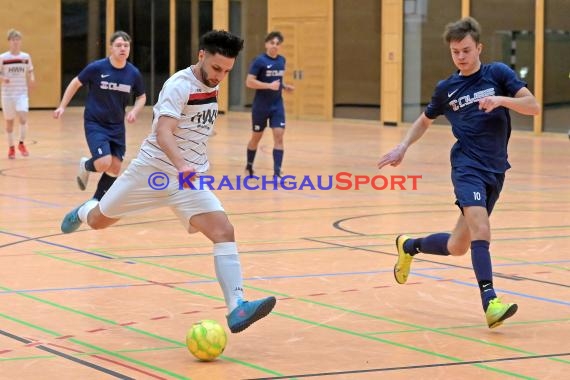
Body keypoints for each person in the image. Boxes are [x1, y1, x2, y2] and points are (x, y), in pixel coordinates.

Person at [59, 30, 276, 333]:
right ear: (201, 55)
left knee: (224, 230)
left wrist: (191, 168)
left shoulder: (212, 82)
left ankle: (237, 307)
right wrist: (182, 164)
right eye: (216, 69)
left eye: (227, 71)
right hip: (152, 173)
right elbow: (163, 132)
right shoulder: (178, 85)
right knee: (99, 221)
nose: (220, 77)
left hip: (188, 180)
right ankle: (85, 209)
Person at [377, 17, 539, 329]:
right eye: (455, 52)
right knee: (481, 228)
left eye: (466, 50)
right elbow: (425, 120)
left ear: (479, 48)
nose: (461, 57)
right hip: (467, 167)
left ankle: (409, 246)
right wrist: (402, 147)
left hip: (496, 169)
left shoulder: (499, 75)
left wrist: (500, 100)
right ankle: (491, 302)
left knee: (457, 245)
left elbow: (532, 107)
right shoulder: (447, 89)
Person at [53, 31, 146, 201]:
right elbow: (76, 83)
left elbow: (142, 96)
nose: (123, 48)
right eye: (118, 45)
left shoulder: (133, 73)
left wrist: (134, 111)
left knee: (115, 167)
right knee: (104, 162)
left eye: (126, 45)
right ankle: (86, 165)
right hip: (96, 123)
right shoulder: (97, 68)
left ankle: (95, 201)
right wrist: (62, 106)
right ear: (110, 48)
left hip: (117, 126)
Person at [245, 31, 294, 177]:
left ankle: (277, 172)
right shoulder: (259, 61)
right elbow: (249, 82)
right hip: (261, 106)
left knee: (279, 136)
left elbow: (277, 80)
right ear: (266, 44)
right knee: (256, 137)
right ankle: (249, 166)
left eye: (278, 44)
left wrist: (284, 86)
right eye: (272, 43)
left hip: (277, 105)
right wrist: (268, 86)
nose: (275, 46)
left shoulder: (282, 61)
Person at [0, 29, 35, 159]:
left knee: (23, 117)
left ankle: (21, 143)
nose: (15, 42)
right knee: (9, 123)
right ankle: (11, 148)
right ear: (9, 41)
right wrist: (3, 79)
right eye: (13, 39)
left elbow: (30, 70)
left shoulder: (25, 57)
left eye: (17, 39)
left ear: (20, 41)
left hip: (21, 93)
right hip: (7, 94)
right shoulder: (3, 58)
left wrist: (32, 79)